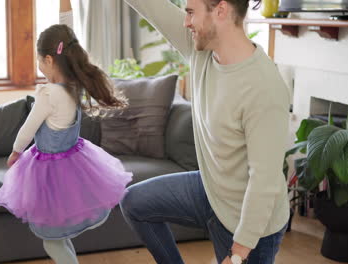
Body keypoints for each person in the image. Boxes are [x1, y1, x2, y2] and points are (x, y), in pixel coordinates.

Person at [119, 0, 290, 263]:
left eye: (190, 13)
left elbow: (264, 182)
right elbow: (150, 4)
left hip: (250, 220)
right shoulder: (200, 48)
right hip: (210, 189)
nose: (185, 22)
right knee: (135, 203)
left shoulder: (264, 87)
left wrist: (239, 253)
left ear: (220, 11)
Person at [0, 1, 132, 263]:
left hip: (48, 173)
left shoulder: (49, 94)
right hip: (72, 166)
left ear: (47, 59)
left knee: (52, 241)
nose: (39, 66)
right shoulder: (73, 84)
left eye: (39, 60)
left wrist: (14, 152)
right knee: (59, 237)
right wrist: (65, 6)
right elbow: (67, 38)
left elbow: (28, 128)